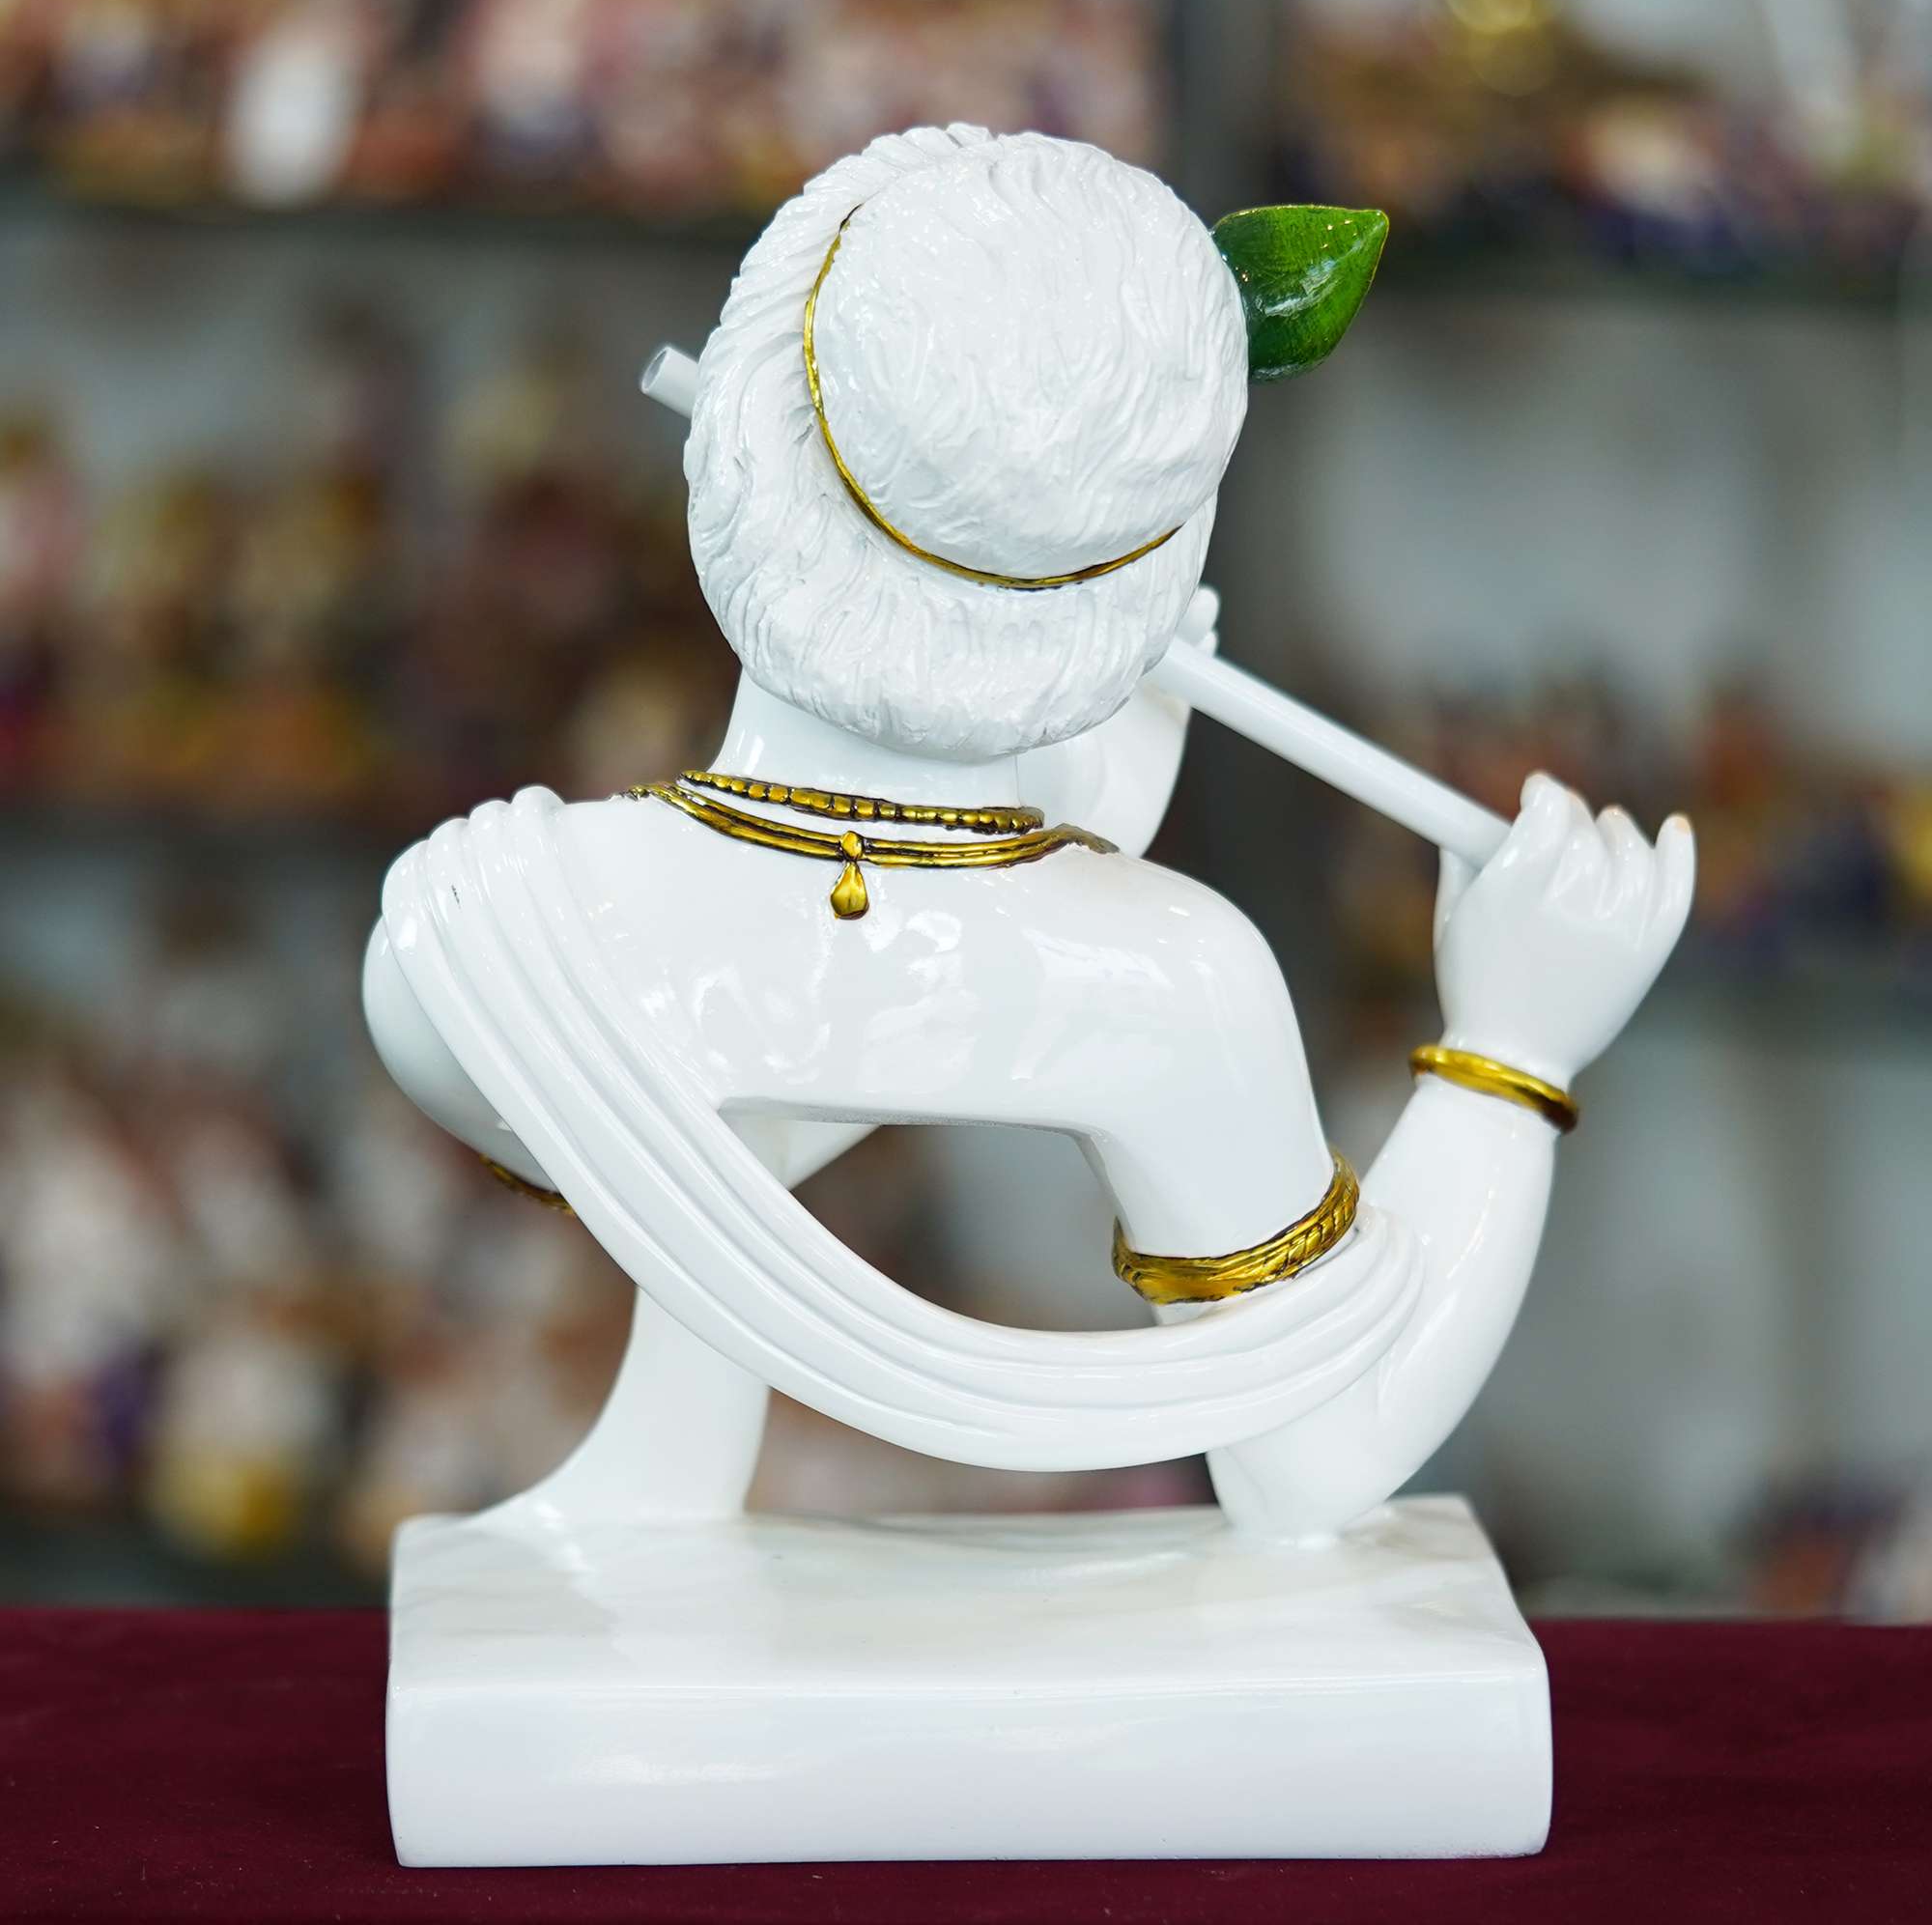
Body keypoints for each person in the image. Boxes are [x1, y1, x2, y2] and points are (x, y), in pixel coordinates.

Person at [365, 125, 1693, 1541]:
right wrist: (1513, 1050)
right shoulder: (1171, 984)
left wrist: (1071, 828)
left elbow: (706, 1141)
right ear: (1149, 571)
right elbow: (1317, 1460)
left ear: (729, 450)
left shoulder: (483, 922)